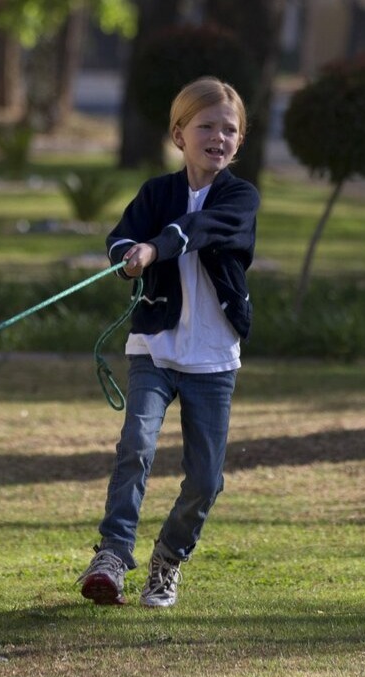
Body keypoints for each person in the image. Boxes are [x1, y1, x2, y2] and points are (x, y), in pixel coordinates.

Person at [78, 76, 258, 608]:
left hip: (212, 357)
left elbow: (196, 230)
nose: (219, 137)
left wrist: (154, 249)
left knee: (206, 479)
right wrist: (128, 254)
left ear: (240, 141)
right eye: (207, 126)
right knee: (136, 445)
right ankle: (112, 555)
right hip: (154, 349)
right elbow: (117, 239)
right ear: (179, 134)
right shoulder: (156, 192)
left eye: (230, 130)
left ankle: (169, 558)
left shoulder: (240, 197)